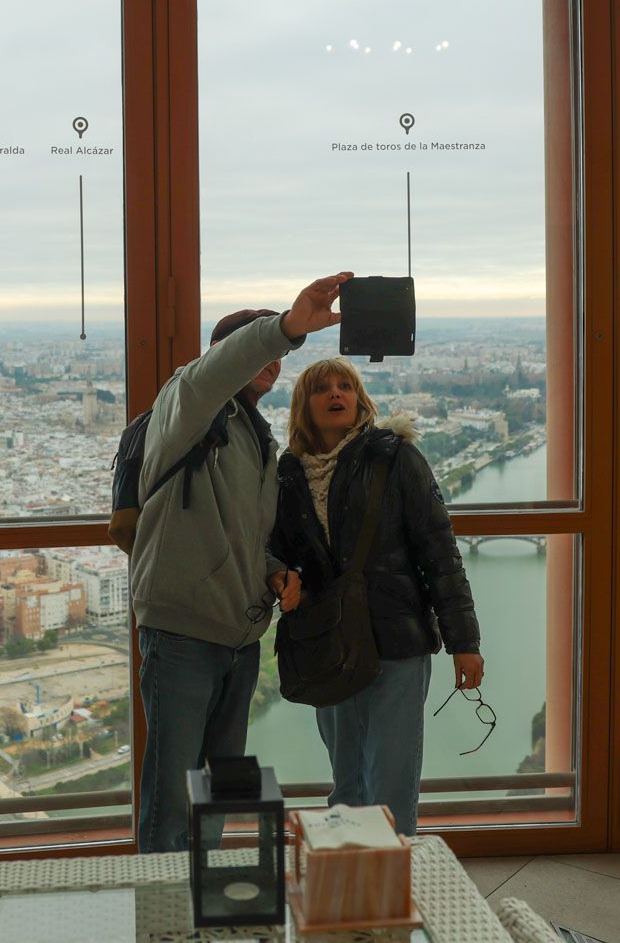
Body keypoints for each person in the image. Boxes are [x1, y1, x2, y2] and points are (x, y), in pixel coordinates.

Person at [131, 272, 351, 853]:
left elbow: (246, 534)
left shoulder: (255, 437)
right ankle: (160, 909)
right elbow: (218, 370)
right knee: (172, 791)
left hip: (238, 633)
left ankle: (204, 894)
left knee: (219, 787)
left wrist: (272, 569)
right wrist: (284, 329)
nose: (274, 363)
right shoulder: (187, 404)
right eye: (258, 349)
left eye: (276, 356)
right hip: (182, 628)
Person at [269, 356, 482, 836]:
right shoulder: (289, 474)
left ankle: (393, 881)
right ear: (305, 405)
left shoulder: (394, 456)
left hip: (396, 638)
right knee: (346, 780)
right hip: (329, 643)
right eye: (322, 388)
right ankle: (352, 880)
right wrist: (283, 577)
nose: (335, 394)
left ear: (360, 399)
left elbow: (438, 549)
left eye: (345, 385)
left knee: (391, 778)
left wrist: (463, 641)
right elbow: (279, 550)